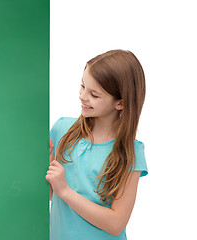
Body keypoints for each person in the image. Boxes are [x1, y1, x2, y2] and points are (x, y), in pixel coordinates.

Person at [46, 50, 148, 240]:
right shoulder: (62, 129)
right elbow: (53, 195)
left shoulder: (130, 152)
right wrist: (48, 165)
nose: (83, 96)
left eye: (94, 94)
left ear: (120, 103)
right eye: (82, 86)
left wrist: (65, 191)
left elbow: (116, 223)